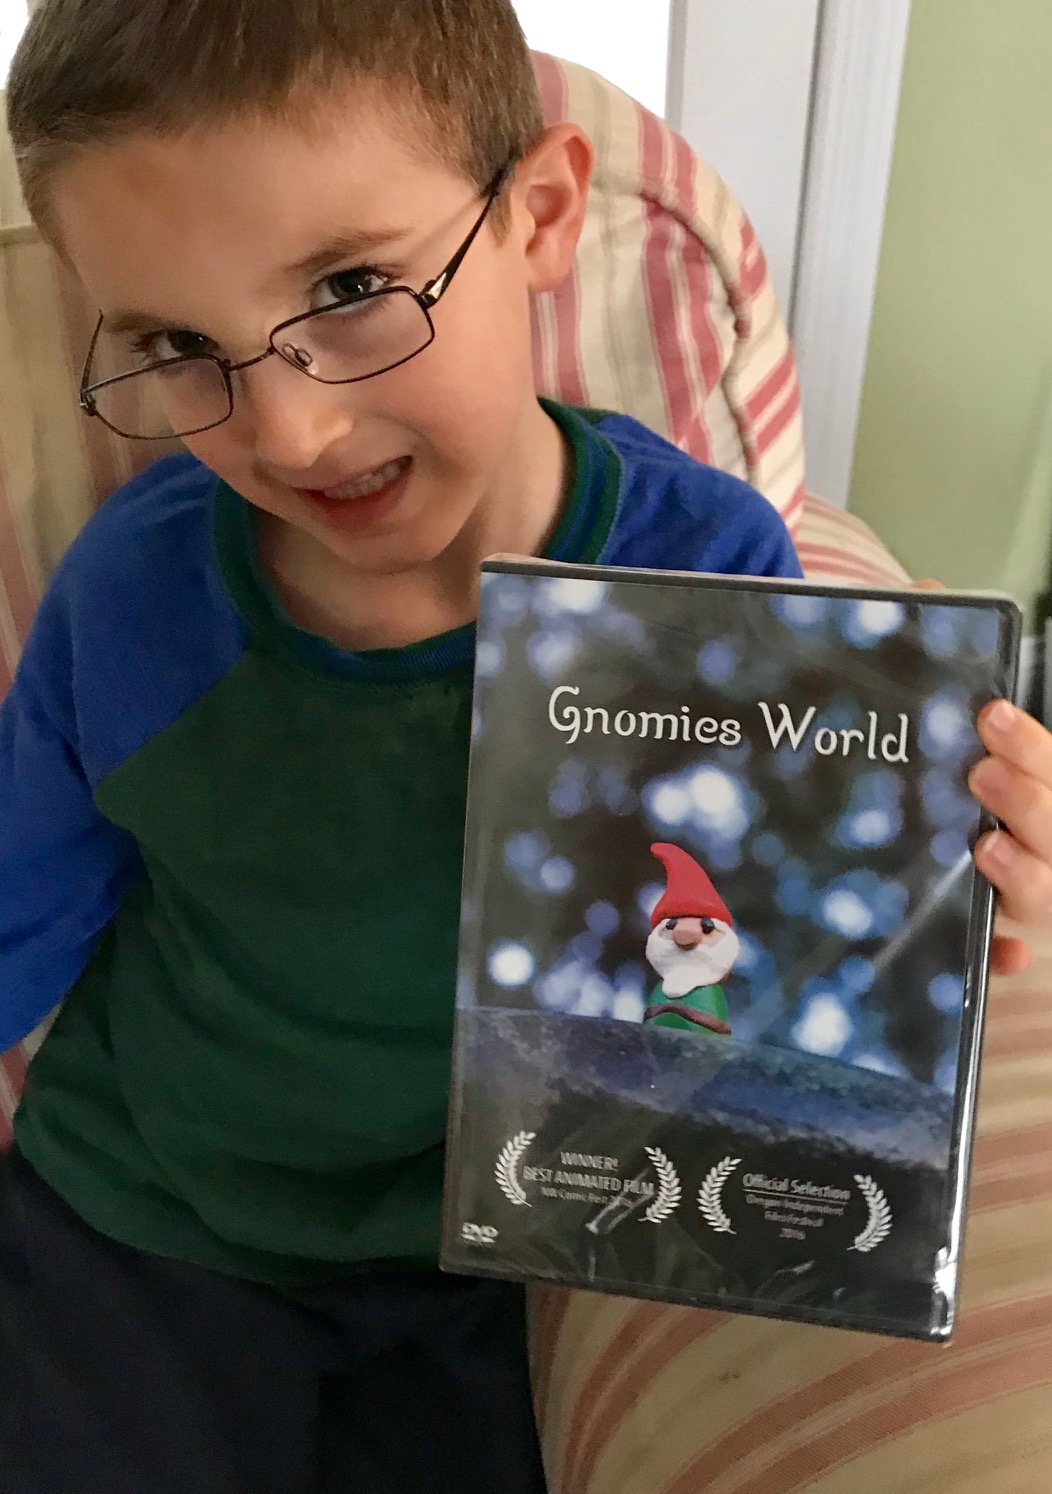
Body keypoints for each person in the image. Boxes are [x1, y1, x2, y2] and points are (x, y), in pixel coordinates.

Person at [0, 0, 1050, 1489]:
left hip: (516, 1240)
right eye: (178, 344)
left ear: (543, 216)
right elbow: (17, 902)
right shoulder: (134, 598)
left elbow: (762, 953)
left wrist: (956, 875)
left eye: (353, 287)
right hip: (147, 1220)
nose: (288, 434)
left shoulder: (707, 576)